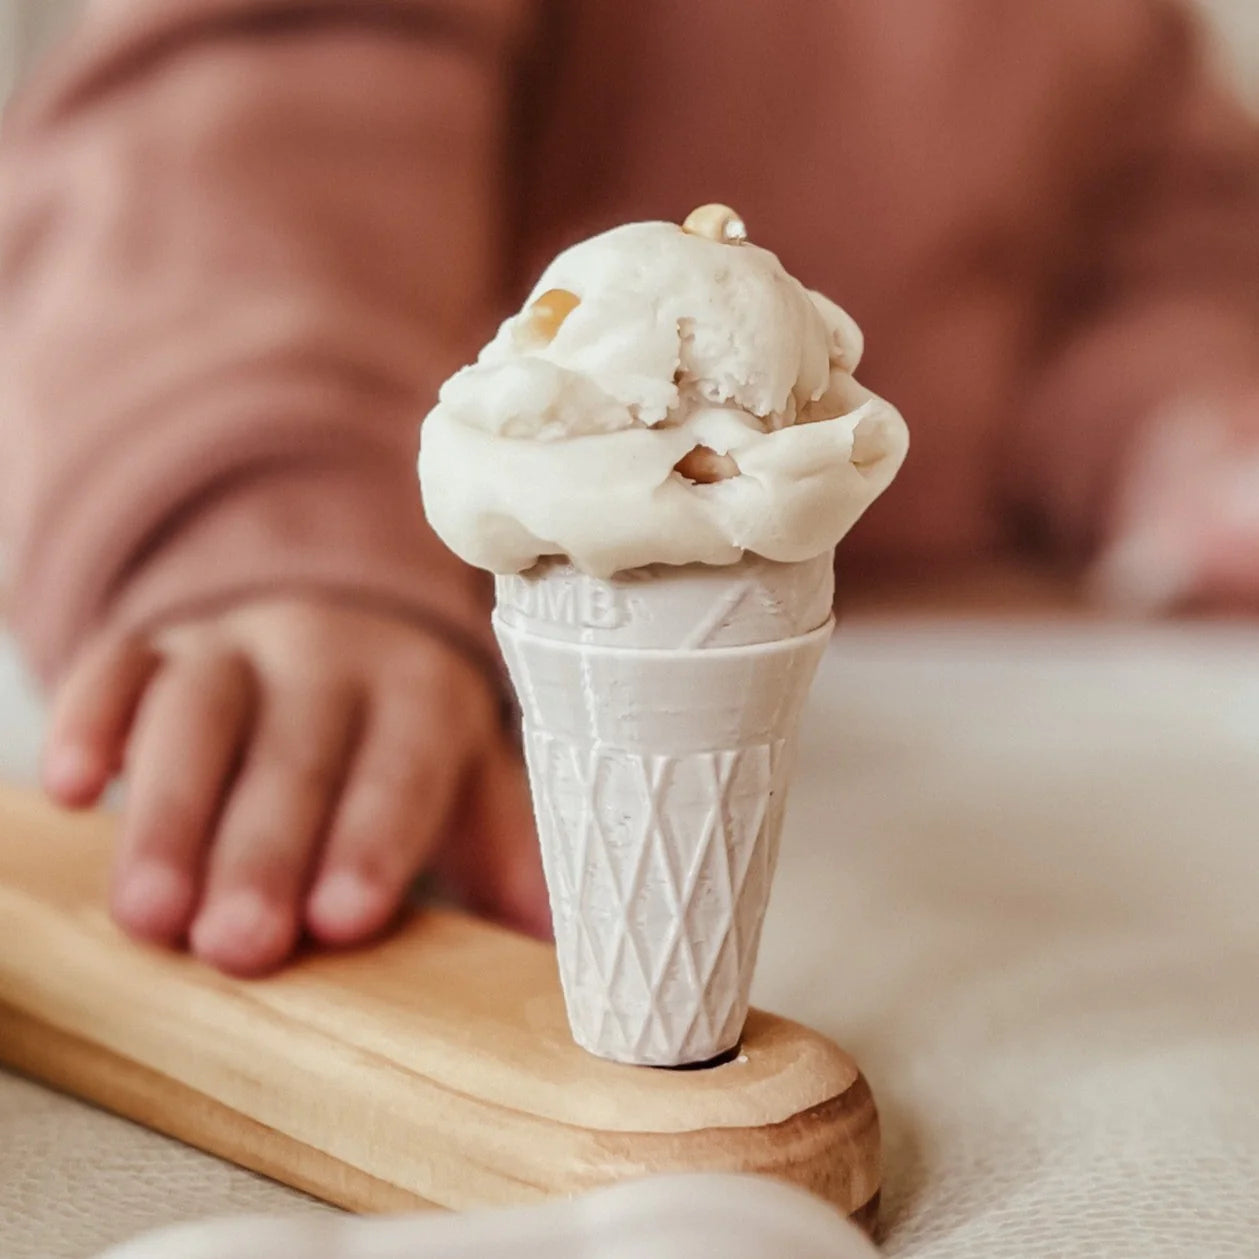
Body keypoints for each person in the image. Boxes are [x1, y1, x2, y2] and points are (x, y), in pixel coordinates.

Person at [1, 0, 1256, 976]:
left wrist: (1179, 433)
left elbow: (1161, 241)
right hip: (428, 613)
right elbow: (254, 130)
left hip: (937, 647)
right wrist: (279, 525)